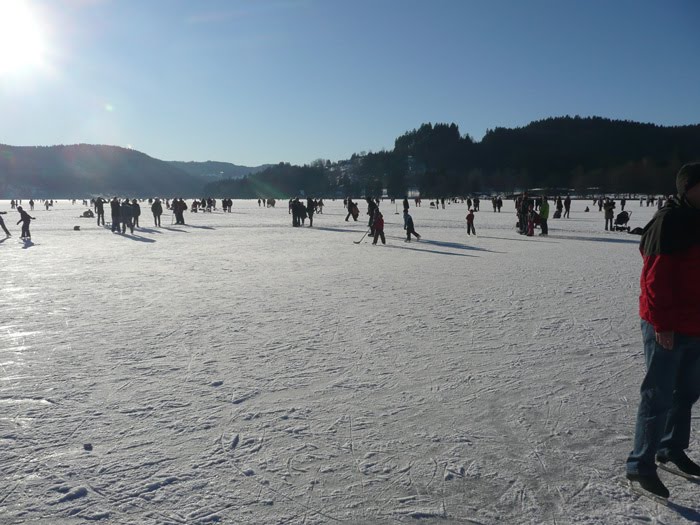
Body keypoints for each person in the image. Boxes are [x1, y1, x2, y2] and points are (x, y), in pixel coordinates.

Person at [626, 163, 700, 499]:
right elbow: (654, 280)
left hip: (695, 323)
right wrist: (662, 325)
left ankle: (670, 448)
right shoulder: (668, 222)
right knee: (658, 395)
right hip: (667, 324)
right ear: (688, 189)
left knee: (685, 392)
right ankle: (640, 465)